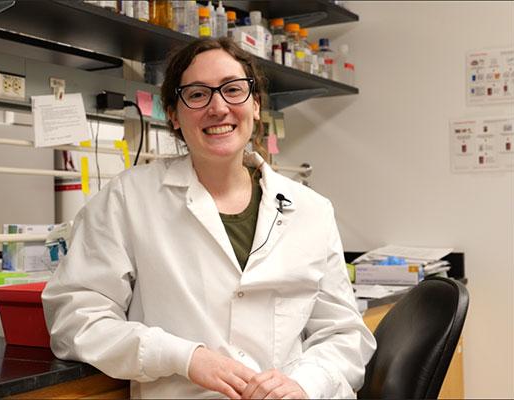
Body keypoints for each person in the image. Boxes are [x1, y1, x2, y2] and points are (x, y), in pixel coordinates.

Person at [42, 37, 376, 399]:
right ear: (173, 113)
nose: (219, 107)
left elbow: (344, 334)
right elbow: (77, 319)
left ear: (255, 104)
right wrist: (183, 357)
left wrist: (304, 384)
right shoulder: (129, 199)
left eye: (233, 90)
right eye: (198, 95)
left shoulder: (311, 210)